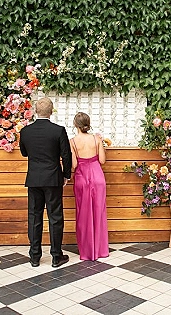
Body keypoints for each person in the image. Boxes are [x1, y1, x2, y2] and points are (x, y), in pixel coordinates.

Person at [19, 97, 72, 268]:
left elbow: (24, 153)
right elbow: (66, 155)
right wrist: (66, 175)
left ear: (35, 110)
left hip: (34, 178)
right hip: (53, 178)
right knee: (55, 217)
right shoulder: (58, 131)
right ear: (51, 111)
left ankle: (34, 256)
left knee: (34, 216)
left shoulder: (26, 131)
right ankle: (56, 256)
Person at [70, 112, 109, 261]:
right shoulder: (97, 139)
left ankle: (86, 252)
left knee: (83, 214)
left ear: (76, 125)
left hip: (82, 177)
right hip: (98, 176)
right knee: (99, 212)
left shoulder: (72, 142)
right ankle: (101, 250)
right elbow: (102, 160)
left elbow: (74, 165)